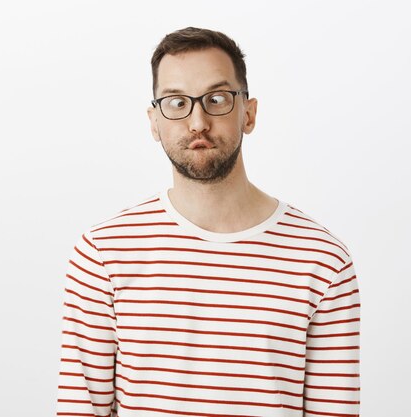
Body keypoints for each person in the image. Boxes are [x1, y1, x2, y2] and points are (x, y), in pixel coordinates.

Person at [56, 27, 361, 417]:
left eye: (216, 99)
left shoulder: (322, 261)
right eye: (177, 102)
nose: (197, 121)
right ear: (154, 122)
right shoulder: (103, 253)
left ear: (248, 113)